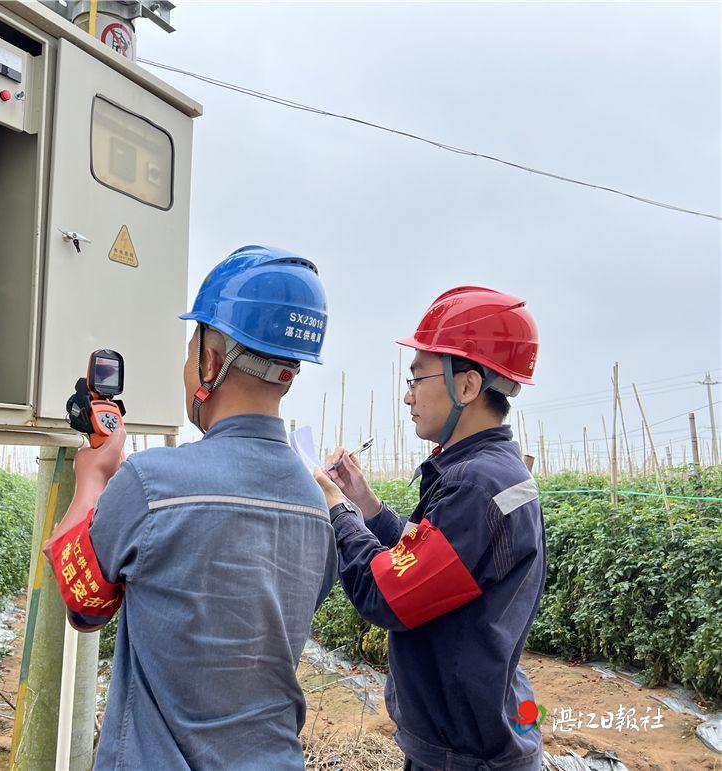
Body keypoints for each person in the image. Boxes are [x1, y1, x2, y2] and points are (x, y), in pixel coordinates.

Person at [44, 245, 338, 770]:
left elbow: (84, 605)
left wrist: (94, 476)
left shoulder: (152, 481)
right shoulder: (318, 505)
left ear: (210, 359)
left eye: (189, 354)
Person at [315, 286, 546, 771]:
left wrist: (338, 511)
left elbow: (388, 593)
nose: (407, 396)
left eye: (417, 379)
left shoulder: (476, 484)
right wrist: (365, 501)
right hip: (478, 735)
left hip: (464, 756)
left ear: (466, 387)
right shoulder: (493, 470)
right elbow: (434, 561)